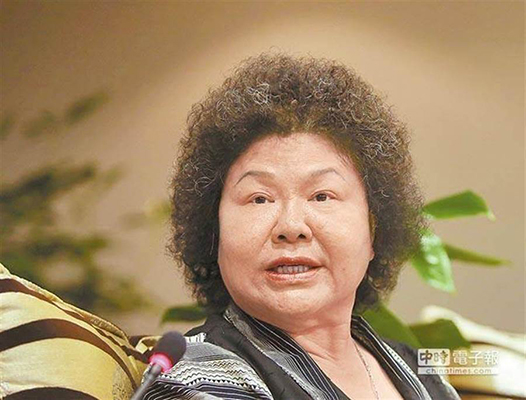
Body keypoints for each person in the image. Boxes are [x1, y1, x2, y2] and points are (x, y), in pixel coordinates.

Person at [143, 53, 460, 399]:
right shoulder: (199, 377)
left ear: (374, 229)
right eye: (260, 199)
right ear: (213, 232)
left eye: (322, 196)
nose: (291, 226)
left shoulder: (419, 370)